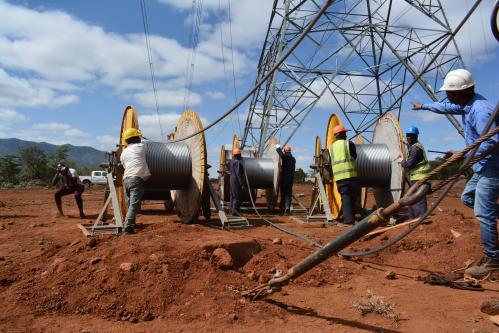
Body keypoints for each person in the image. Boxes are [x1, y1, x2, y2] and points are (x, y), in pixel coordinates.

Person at [412, 68, 499, 278]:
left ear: (457, 93)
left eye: (449, 93)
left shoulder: (480, 111)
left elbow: (493, 142)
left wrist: (463, 154)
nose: (447, 97)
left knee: (483, 213)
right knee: (467, 197)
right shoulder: (467, 105)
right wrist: (425, 106)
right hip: (482, 167)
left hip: (492, 167)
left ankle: (493, 260)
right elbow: (446, 107)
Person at [119, 128, 151, 235]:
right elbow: (146, 141)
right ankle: (127, 228)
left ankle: (130, 224)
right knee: (134, 205)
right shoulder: (141, 146)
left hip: (126, 180)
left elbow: (124, 165)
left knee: (130, 205)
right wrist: (141, 135)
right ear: (136, 138)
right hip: (136, 179)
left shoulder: (123, 153)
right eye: (137, 136)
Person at [329, 125, 360, 225]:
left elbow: (330, 162)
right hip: (350, 175)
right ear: (340, 134)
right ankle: (349, 219)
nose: (346, 135)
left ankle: (349, 216)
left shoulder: (331, 148)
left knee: (345, 196)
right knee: (351, 196)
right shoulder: (348, 144)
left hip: (339, 177)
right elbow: (354, 156)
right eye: (345, 133)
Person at [400, 126, 430, 219]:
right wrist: (402, 141)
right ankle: (414, 218)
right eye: (407, 135)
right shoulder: (415, 146)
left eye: (411, 136)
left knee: (418, 198)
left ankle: (421, 218)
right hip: (416, 177)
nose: (408, 137)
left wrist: (402, 162)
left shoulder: (415, 149)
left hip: (419, 177)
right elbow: (409, 144)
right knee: (412, 197)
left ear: (415, 136)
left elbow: (410, 164)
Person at [275, 144, 296, 215]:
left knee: (283, 194)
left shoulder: (285, 157)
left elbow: (281, 154)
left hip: (284, 179)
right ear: (290, 151)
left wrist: (277, 147)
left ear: (285, 151)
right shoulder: (293, 159)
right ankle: (287, 207)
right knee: (288, 194)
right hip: (291, 179)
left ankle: (282, 208)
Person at [229, 148, 245, 216]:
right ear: (237, 155)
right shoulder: (237, 162)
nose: (241, 156)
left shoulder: (232, 161)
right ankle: (235, 213)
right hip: (236, 181)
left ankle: (231, 211)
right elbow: (238, 174)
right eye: (240, 154)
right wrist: (242, 184)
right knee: (237, 197)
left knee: (232, 196)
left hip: (232, 180)